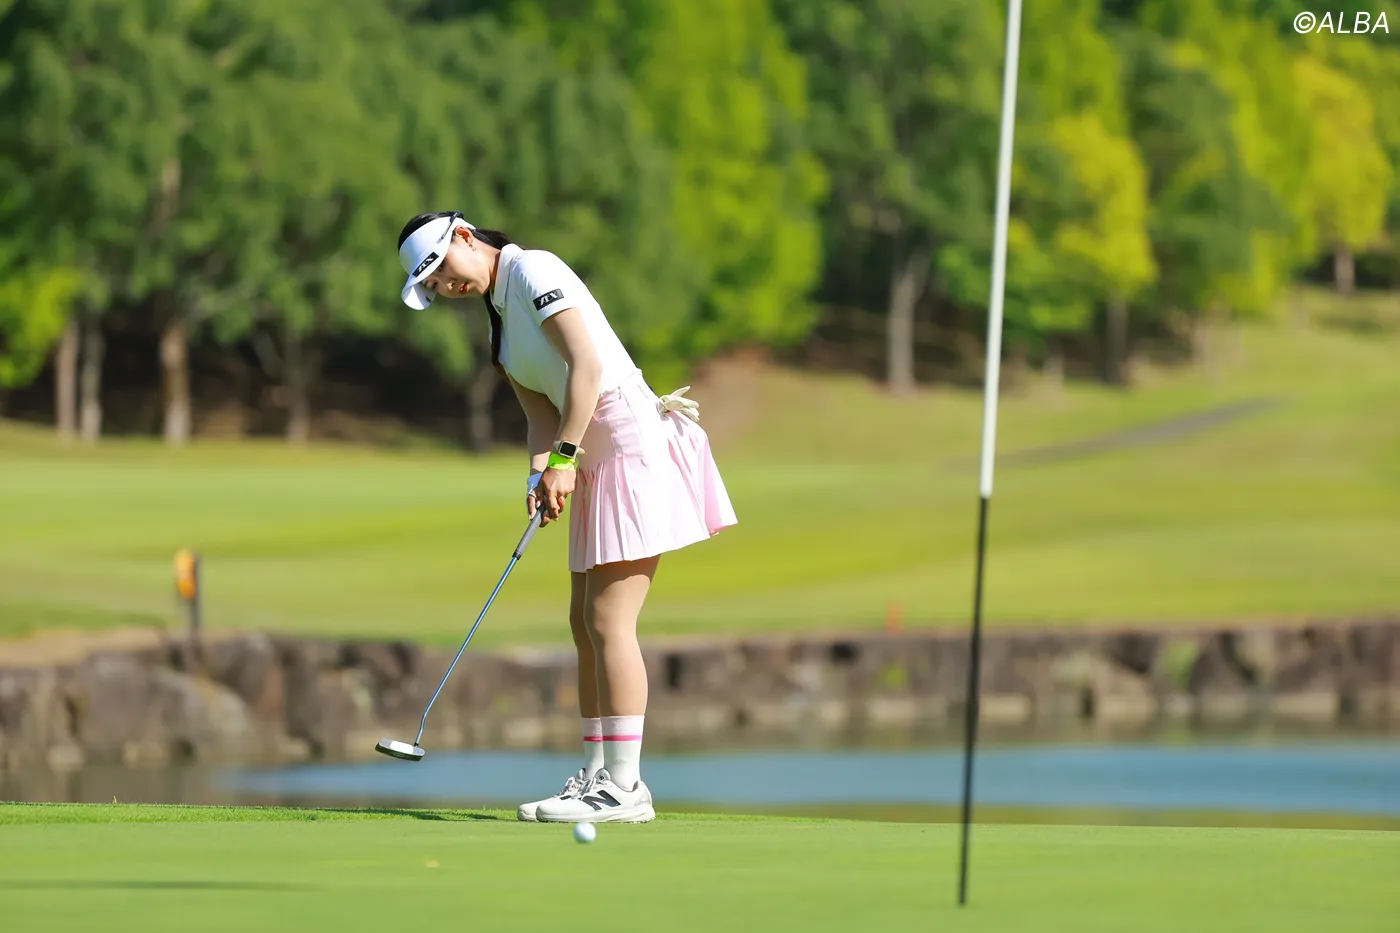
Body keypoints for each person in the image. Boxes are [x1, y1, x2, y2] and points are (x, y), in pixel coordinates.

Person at [397, 212, 738, 823]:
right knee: (583, 623)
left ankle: (627, 788)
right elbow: (539, 412)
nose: (447, 287)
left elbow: (588, 367)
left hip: (625, 444)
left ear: (466, 238)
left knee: (609, 620)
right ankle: (596, 775)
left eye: (442, 271)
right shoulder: (499, 323)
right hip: (585, 457)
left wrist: (562, 458)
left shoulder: (534, 269)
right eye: (434, 286)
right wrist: (539, 475)